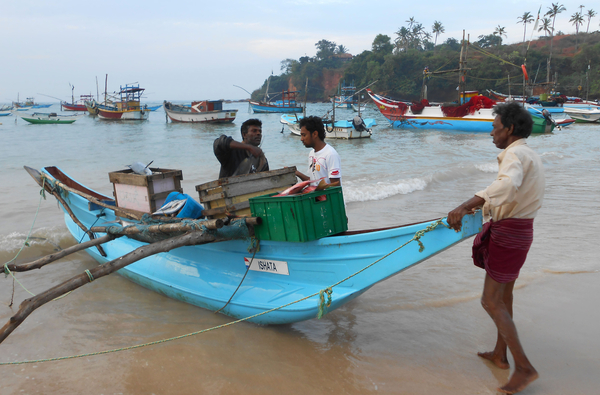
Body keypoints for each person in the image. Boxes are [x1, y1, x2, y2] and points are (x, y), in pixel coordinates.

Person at [447, 102, 544, 394]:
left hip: (509, 233)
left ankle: (524, 367)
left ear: (509, 129)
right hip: (522, 231)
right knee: (505, 296)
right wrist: (479, 209)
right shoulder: (529, 153)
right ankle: (500, 355)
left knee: (490, 301)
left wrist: (466, 205)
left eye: (494, 126)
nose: (491, 132)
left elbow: (506, 187)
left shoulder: (514, 154)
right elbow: (510, 193)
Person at [295, 116, 341, 185]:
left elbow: (336, 187)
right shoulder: (311, 154)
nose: (301, 139)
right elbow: (314, 182)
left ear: (315, 134)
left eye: (304, 135)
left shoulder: (330, 154)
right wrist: (296, 173)